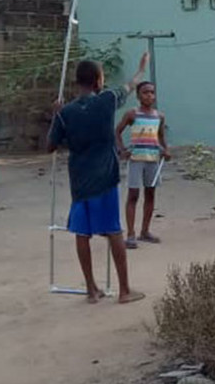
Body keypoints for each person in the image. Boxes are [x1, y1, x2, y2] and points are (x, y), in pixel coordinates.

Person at [47, 53, 150, 304]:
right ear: (97, 81)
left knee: (82, 233)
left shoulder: (66, 112)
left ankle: (92, 289)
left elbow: (50, 146)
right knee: (114, 231)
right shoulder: (106, 100)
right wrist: (139, 70)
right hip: (104, 178)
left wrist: (56, 115)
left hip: (79, 180)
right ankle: (124, 290)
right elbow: (129, 85)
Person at [115, 81, 170, 249]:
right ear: (138, 96)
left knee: (150, 194)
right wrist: (121, 150)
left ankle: (145, 231)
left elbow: (160, 137)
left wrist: (165, 151)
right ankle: (131, 234)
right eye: (145, 92)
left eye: (152, 92)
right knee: (133, 195)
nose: (149, 96)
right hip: (136, 159)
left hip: (152, 159)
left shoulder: (159, 116)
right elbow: (117, 131)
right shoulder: (132, 114)